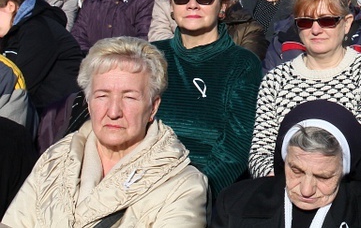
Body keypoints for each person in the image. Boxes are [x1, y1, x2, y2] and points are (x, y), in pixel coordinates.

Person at [2, 37, 210, 227]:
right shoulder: (53, 160)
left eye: (129, 97)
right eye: (102, 96)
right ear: (88, 103)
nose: (113, 112)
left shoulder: (183, 185)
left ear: (153, 107)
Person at [249, 0, 361, 194]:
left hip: (357, 192)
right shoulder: (275, 80)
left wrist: (309, 178)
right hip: (287, 190)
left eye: (327, 20)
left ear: (346, 24)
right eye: (305, 22)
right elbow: (261, 152)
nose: (316, 29)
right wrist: (290, 182)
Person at [153, 0, 263, 195]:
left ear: (222, 5)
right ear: (171, 5)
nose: (192, 4)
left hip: (205, 190)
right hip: (145, 182)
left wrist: (196, 192)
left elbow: (235, 147)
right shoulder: (151, 56)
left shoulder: (242, 64)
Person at [214, 100, 361, 227]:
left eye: (323, 176)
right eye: (296, 171)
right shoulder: (234, 203)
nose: (306, 190)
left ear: (345, 170)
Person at [0, 0, 82, 114]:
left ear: (10, 6)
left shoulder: (37, 28)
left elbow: (22, 78)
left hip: (60, 112)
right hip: (39, 110)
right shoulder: (10, 35)